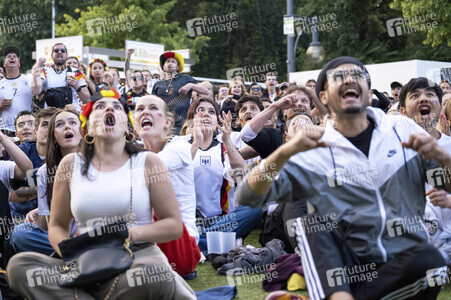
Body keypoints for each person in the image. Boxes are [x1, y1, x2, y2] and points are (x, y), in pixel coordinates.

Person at [236, 56, 451, 300]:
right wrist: (285, 151)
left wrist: (442, 158)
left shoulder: (401, 128)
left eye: (357, 75)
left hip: (399, 262)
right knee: (314, 216)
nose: (349, 79)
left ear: (369, 93)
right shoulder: (313, 149)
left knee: (431, 262)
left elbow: (446, 184)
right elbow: (246, 195)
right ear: (324, 98)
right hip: (343, 269)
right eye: (339, 77)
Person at [7, 89, 195, 299]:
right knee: (19, 267)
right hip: (86, 258)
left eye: (116, 107)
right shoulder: (70, 165)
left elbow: (173, 225)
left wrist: (129, 235)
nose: (109, 110)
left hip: (136, 258)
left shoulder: (149, 162)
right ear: (87, 124)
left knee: (154, 274)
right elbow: (57, 226)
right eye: (100, 107)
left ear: (126, 123)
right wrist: (73, 252)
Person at [182, 97, 263, 255]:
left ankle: (192, 246)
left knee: (254, 210)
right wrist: (196, 141)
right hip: (187, 220)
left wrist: (227, 140)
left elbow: (241, 177)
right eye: (201, 110)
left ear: (217, 120)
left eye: (211, 112)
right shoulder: (179, 143)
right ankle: (209, 244)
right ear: (192, 118)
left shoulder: (225, 142)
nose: (206, 115)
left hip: (220, 220)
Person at [134, 95, 201, 277]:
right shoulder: (135, 154)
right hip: (146, 242)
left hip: (181, 246)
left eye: (154, 108)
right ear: (134, 123)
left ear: (167, 122)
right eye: (140, 109)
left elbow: (141, 173)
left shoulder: (179, 146)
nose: (145, 112)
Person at [8, 107, 82, 256]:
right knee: (21, 233)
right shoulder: (43, 171)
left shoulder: (99, 160)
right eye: (59, 125)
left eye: (73, 122)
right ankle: (73, 253)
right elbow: (50, 226)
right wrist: (44, 204)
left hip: (97, 230)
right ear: (53, 136)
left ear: (83, 131)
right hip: (62, 236)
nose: (67, 126)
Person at [9, 108, 58, 221]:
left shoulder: (65, 153)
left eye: (54, 125)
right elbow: (9, 194)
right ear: (35, 132)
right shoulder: (22, 152)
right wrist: (42, 189)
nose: (50, 129)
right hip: (21, 217)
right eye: (45, 125)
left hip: (55, 217)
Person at [152, 51, 207, 135]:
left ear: (178, 66)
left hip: (183, 125)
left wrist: (191, 85)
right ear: (163, 66)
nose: (170, 64)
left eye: (173, 62)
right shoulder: (157, 85)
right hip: (163, 125)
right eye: (168, 61)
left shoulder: (185, 78)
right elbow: (152, 104)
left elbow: (205, 90)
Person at [31, 43, 90, 111]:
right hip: (51, 115)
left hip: (71, 114)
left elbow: (87, 99)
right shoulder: (44, 71)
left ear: (67, 55)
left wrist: (76, 86)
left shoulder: (76, 72)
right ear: (51, 55)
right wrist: (38, 66)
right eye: (56, 50)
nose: (59, 52)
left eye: (63, 50)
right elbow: (36, 91)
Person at [0, 46, 33, 137]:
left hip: (26, 129)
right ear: (4, 64)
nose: (11, 57)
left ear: (19, 63)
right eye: (8, 56)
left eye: (15, 56)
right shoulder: (0, 84)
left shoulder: (29, 79)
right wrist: (1, 106)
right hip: (5, 130)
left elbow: (39, 95)